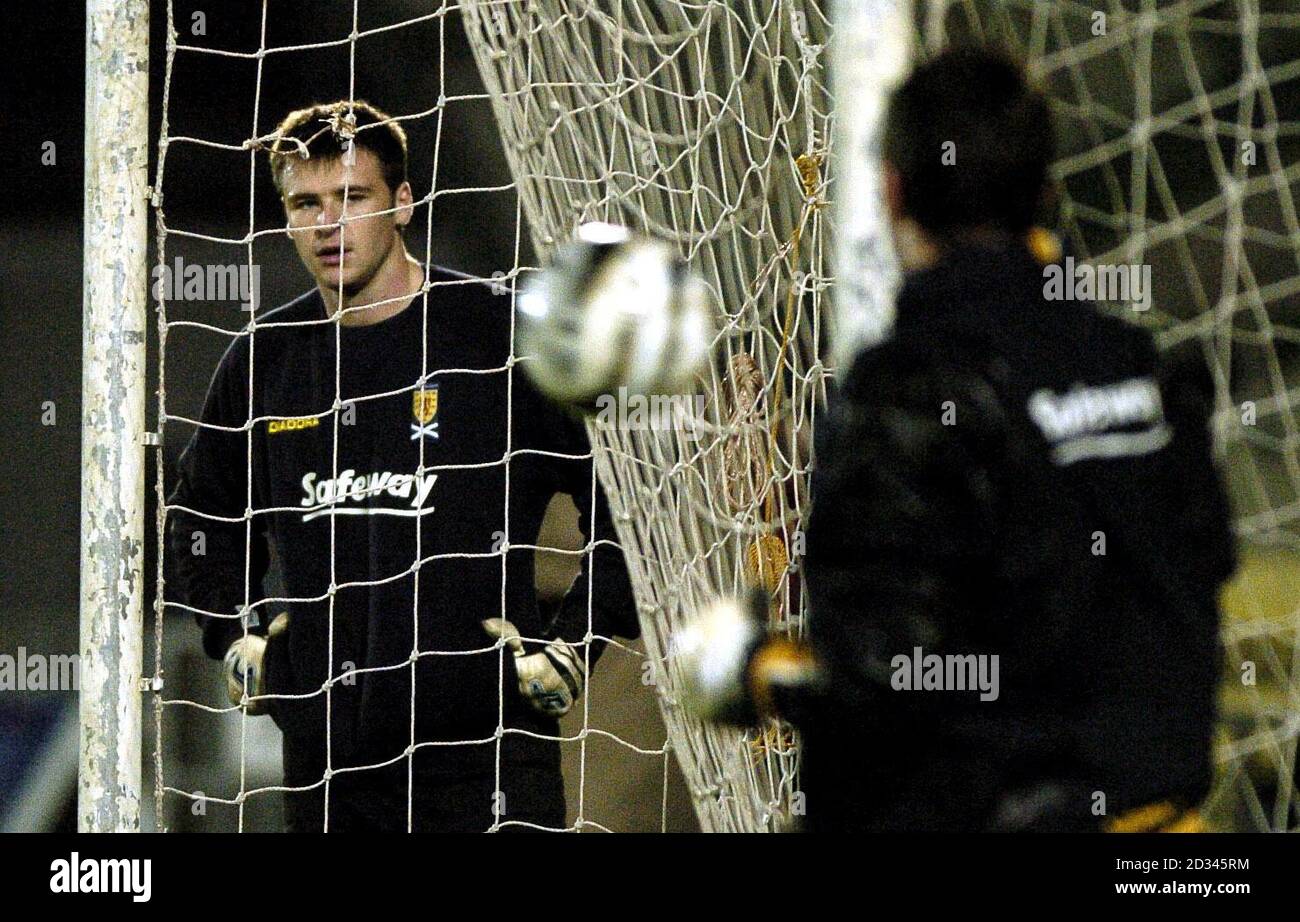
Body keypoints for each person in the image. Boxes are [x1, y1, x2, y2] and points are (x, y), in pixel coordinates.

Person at [677, 47, 1237, 832]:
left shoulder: (913, 391)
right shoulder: (1142, 370)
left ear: (893, 190)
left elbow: (890, 679)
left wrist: (757, 674)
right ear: (1043, 190)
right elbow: (1192, 581)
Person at [167, 100, 638, 832]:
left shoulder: (504, 333)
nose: (328, 225)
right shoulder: (266, 359)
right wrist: (235, 636)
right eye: (306, 203)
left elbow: (625, 498)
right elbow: (200, 520)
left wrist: (578, 638)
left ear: (403, 204)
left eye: (352, 198)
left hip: (486, 760)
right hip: (329, 765)